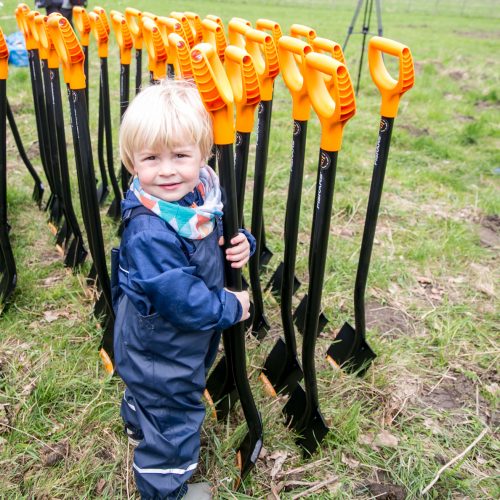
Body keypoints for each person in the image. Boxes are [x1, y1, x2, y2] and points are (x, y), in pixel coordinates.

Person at [112, 78, 254, 500]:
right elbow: (183, 302)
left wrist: (241, 241)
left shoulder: (197, 199)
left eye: (180, 155)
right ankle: (164, 487)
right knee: (175, 416)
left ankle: (138, 418)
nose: (167, 169)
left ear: (202, 154)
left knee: (150, 395)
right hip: (164, 349)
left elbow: (217, 231)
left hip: (159, 346)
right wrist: (231, 307)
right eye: (151, 158)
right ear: (132, 162)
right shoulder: (150, 230)